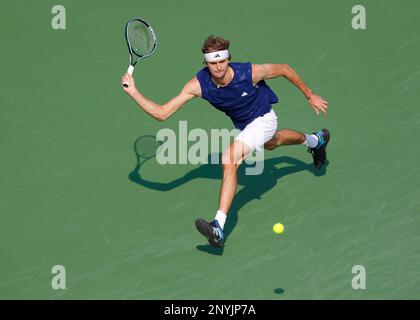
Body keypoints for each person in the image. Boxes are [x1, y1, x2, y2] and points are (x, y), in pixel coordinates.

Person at [121, 35, 330, 248]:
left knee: (229, 158)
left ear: (228, 59)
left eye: (222, 61)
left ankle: (217, 227)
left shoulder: (249, 73)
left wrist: (309, 95)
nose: (219, 67)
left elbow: (284, 68)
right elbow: (162, 113)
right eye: (213, 63)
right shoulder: (198, 85)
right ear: (206, 63)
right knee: (272, 142)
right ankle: (316, 140)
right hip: (244, 124)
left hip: (264, 118)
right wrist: (134, 92)